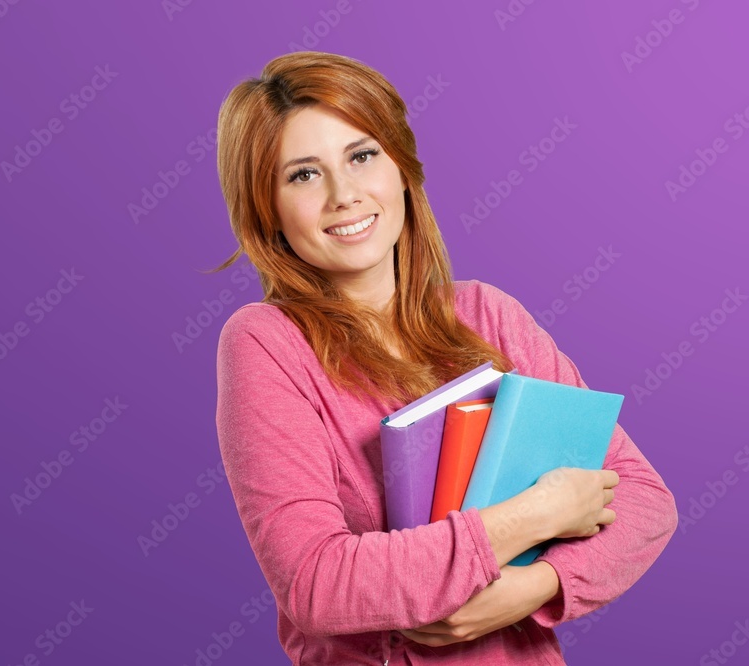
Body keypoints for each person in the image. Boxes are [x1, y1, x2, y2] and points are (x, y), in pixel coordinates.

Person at [212, 50, 678, 665]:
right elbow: (318, 582)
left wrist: (531, 589)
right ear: (265, 208)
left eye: (362, 155)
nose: (344, 195)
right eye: (303, 175)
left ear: (401, 168)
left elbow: (644, 500)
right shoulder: (266, 344)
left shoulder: (488, 316)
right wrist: (533, 516)